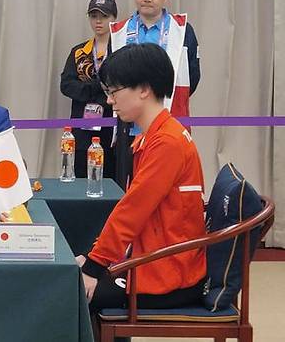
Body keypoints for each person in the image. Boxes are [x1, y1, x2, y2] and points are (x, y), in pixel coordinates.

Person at [78, 43, 206, 338]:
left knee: (70, 290)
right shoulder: (157, 136)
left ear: (144, 89)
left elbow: (131, 213)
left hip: (168, 272)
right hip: (153, 258)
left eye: (114, 91)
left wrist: (94, 267)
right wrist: (92, 256)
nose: (110, 100)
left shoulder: (167, 143)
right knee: (75, 273)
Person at [110, 0, 201, 188]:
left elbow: (193, 78)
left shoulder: (182, 30)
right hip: (129, 129)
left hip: (168, 126)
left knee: (165, 189)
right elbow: (111, 78)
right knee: (127, 190)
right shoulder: (120, 31)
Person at [60, 0, 117, 178]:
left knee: (111, 172)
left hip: (112, 123)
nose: (98, 21)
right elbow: (66, 84)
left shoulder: (121, 51)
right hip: (82, 125)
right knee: (81, 171)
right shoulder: (79, 51)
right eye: (93, 16)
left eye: (104, 16)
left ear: (114, 18)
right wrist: (95, 89)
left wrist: (97, 93)